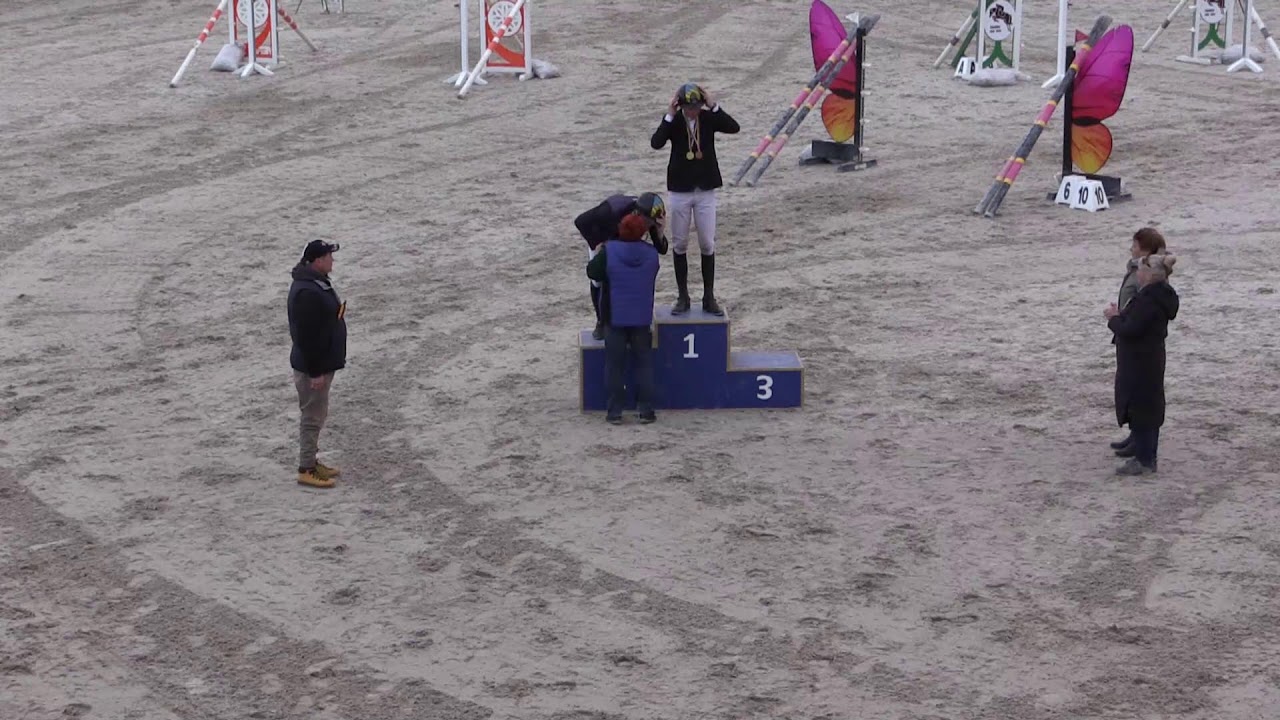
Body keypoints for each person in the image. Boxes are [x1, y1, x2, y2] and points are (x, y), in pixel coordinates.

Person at [651, 82, 740, 316]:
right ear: (680, 106)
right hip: (680, 190)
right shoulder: (674, 122)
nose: (693, 111)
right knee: (680, 243)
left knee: (707, 243)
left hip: (705, 189)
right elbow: (656, 143)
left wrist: (714, 105)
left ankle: (709, 296)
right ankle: (683, 296)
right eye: (689, 108)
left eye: (697, 107)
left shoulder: (708, 118)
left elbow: (734, 127)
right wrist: (669, 115)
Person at [1105, 254, 1179, 476]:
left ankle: (1145, 460)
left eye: (1139, 269)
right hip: (1148, 358)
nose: (1137, 273)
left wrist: (1112, 318)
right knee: (1146, 406)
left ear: (1148, 274)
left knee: (1143, 408)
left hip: (1140, 361)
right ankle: (1140, 449)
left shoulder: (1148, 300)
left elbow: (1131, 330)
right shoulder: (1158, 295)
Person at [587, 214, 660, 425]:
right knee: (644, 364)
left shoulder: (609, 251)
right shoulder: (651, 253)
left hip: (614, 316)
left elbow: (592, 272)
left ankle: (615, 411)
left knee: (614, 365)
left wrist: (601, 251)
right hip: (641, 317)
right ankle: (645, 410)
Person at [287, 240, 348, 489]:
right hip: (313, 368)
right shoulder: (307, 292)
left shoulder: (315, 282)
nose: (333, 261)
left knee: (317, 415)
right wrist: (315, 372)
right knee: (312, 418)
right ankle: (306, 469)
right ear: (318, 260)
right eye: (329, 256)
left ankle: (312, 461)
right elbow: (305, 337)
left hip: (320, 363)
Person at [574, 193, 669, 340]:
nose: (650, 227)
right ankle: (600, 322)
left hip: (621, 240)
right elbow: (581, 222)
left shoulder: (647, 217)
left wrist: (660, 232)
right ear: (639, 214)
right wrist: (597, 244)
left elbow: (661, 249)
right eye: (650, 223)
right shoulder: (614, 212)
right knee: (598, 281)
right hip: (601, 234)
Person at [1110, 228, 1168, 456]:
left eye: (1134, 245)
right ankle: (1136, 438)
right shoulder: (1141, 274)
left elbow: (1136, 320)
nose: (1131, 249)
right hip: (1134, 344)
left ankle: (1142, 448)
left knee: (1139, 396)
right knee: (1132, 393)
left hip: (1138, 347)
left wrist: (1115, 319)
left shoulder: (1149, 286)